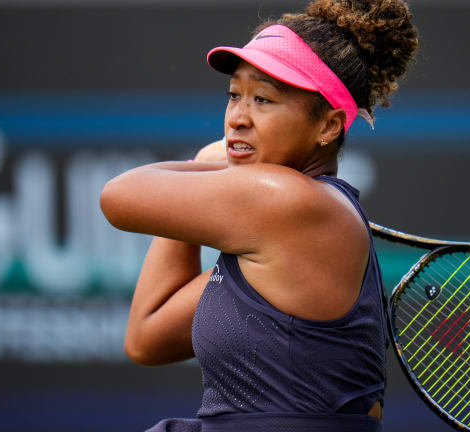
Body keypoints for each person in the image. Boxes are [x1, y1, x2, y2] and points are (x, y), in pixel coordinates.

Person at [99, 1, 418, 431]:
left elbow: (117, 196)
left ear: (328, 127)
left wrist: (205, 167)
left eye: (263, 99)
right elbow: (147, 336)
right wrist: (206, 180)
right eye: (234, 95)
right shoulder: (281, 228)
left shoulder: (288, 202)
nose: (237, 118)